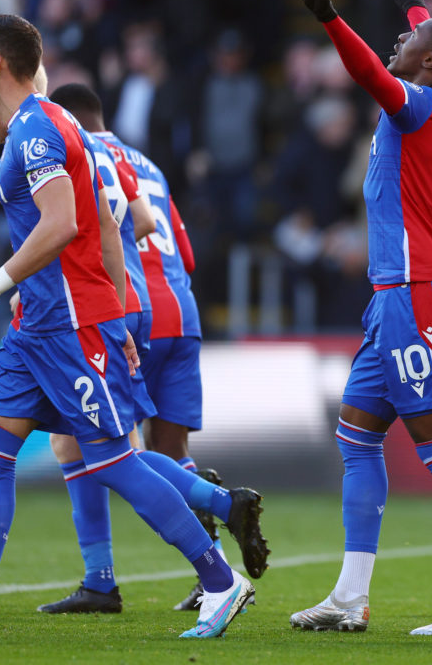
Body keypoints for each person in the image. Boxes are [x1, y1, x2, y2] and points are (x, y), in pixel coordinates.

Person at [0, 15, 252, 639]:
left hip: (70, 326)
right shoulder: (54, 125)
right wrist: (122, 311)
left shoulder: (36, 130)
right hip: (38, 328)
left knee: (112, 460)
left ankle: (221, 581)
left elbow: (62, 225)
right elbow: (109, 224)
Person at [290, 0, 432, 636]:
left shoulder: (416, 105)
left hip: (417, 295)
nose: (400, 41)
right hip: (399, 295)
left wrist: (330, 16)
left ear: (430, 62)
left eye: (411, 38)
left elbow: (369, 73)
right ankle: (349, 597)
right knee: (357, 436)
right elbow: (428, 42)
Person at [31, 82, 268, 614]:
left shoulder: (70, 152)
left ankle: (111, 577)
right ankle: (210, 565)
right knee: (169, 452)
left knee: (90, 447)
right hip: (181, 311)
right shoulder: (147, 164)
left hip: (125, 306)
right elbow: (181, 248)